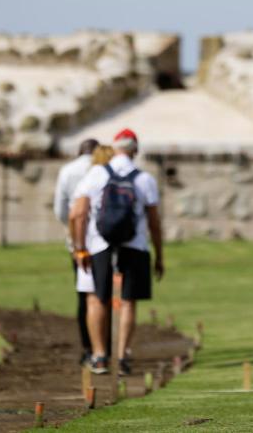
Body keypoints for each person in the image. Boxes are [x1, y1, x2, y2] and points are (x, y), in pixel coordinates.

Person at [69, 128, 164, 376]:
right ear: (135, 150)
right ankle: (122, 356)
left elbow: (78, 214)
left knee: (98, 297)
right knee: (128, 301)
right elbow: (154, 222)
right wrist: (160, 255)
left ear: (114, 147)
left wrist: (79, 248)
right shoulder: (144, 179)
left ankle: (100, 356)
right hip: (134, 243)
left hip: (100, 243)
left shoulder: (97, 174)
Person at [53, 137, 99, 365]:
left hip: (79, 244)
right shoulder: (103, 169)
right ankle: (105, 348)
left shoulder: (68, 171)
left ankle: (88, 348)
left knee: (85, 295)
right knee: (106, 296)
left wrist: (73, 233)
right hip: (104, 240)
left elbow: (61, 210)